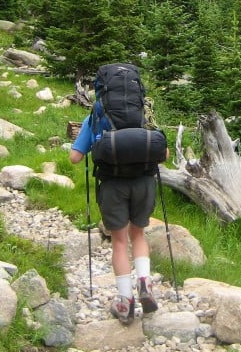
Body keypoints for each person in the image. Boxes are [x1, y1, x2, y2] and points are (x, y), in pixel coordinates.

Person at [69, 114, 164, 325]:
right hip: (144, 183)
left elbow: (75, 157)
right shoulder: (142, 110)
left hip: (113, 185)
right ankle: (144, 284)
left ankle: (125, 301)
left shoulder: (95, 116)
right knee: (138, 235)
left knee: (119, 242)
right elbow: (163, 152)